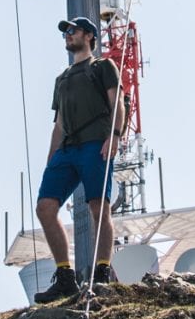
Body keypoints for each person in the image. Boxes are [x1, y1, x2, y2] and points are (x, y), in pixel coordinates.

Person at [31, 16, 125, 303]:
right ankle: (65, 277)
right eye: (65, 33)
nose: (67, 36)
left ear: (88, 36)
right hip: (67, 150)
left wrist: (116, 135)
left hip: (95, 144)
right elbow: (58, 124)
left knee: (99, 207)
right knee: (45, 208)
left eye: (72, 31)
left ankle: (101, 273)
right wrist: (51, 160)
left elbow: (117, 102)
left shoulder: (103, 67)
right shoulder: (62, 79)